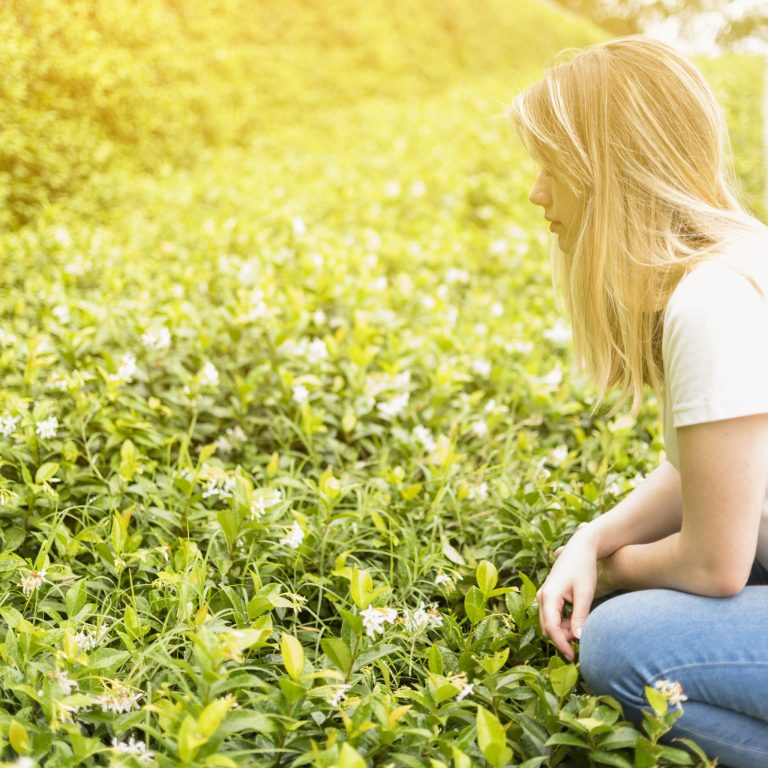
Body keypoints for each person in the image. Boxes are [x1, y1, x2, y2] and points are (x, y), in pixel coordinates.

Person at [508, 36, 768, 767]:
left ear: (608, 172)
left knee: (628, 641)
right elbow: (714, 470)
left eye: (551, 166)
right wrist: (594, 537)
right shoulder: (741, 260)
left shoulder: (711, 302)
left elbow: (717, 563)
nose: (536, 193)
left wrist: (619, 572)